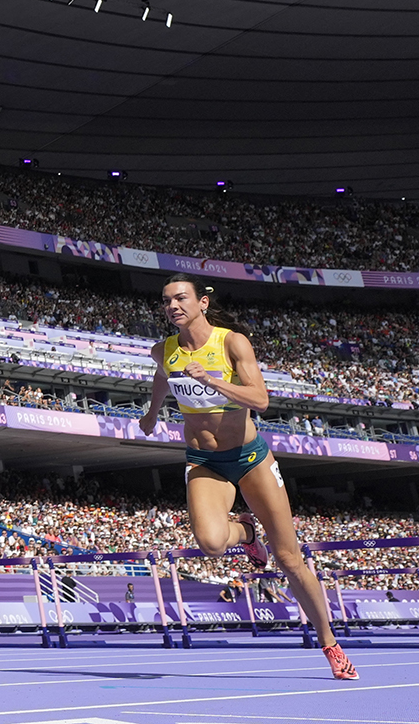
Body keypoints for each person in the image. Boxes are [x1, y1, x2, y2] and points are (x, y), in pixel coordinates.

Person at [140, 279, 357, 681]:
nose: (172, 305)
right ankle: (246, 533)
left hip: (249, 457)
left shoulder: (231, 343)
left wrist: (212, 381)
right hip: (205, 460)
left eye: (181, 298)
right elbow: (161, 375)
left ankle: (330, 643)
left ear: (202, 303)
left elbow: (260, 399)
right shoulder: (164, 350)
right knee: (210, 543)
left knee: (290, 560)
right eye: (166, 301)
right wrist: (153, 412)